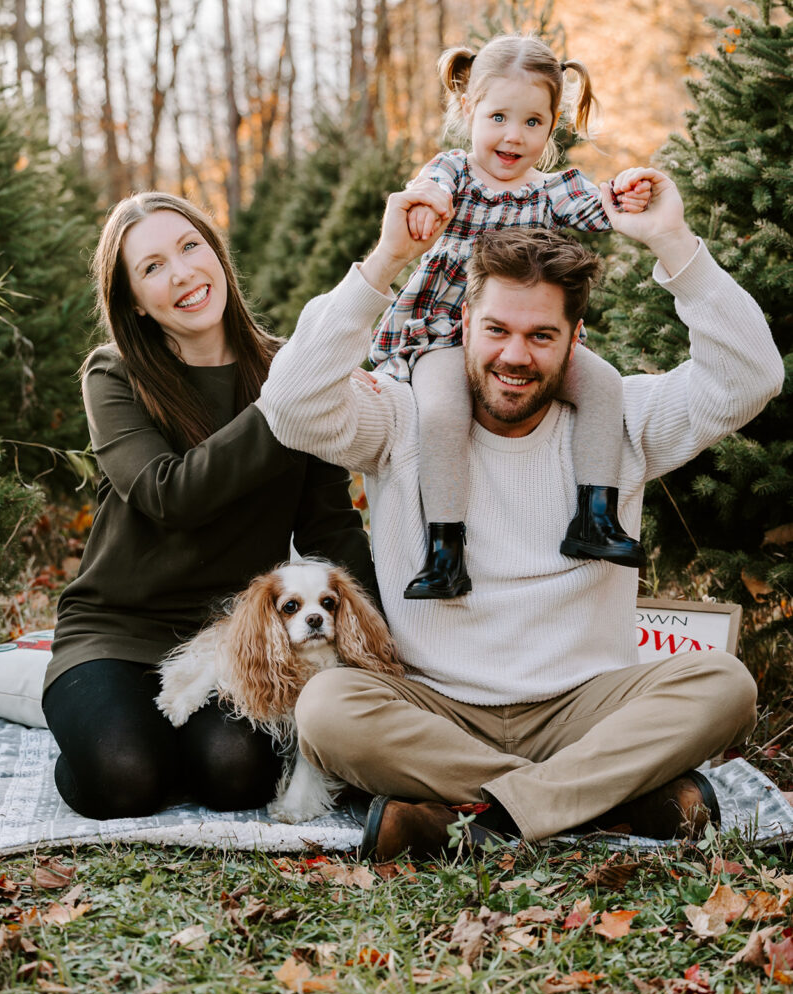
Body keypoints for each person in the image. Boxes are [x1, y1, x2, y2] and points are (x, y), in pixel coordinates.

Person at [259, 168, 784, 860]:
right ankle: (603, 803)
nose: (513, 355)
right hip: (436, 709)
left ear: (574, 337)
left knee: (722, 685)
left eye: (540, 336)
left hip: (585, 709)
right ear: (465, 325)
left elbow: (751, 376)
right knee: (328, 710)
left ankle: (485, 819)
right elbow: (289, 406)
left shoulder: (625, 417)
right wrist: (384, 260)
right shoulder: (401, 415)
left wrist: (671, 241)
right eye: (496, 330)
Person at [42, 193, 376, 821]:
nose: (182, 274)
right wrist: (283, 404)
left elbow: (330, 522)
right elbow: (170, 495)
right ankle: (101, 736)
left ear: (217, 254)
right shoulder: (114, 376)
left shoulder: (285, 370)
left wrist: (382, 633)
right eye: (152, 267)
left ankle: (169, 746)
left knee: (237, 774)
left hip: (232, 640)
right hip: (117, 631)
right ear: (134, 301)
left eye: (190, 247)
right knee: (123, 775)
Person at [368, 34, 653, 600]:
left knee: (603, 384)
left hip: (527, 336)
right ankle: (445, 550)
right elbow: (430, 188)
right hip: (447, 334)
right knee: (445, 411)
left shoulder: (552, 191)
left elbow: (603, 209)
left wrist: (628, 189)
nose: (512, 136)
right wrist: (425, 206)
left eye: (532, 122)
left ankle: (593, 518)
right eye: (498, 116)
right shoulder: (455, 173)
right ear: (469, 109)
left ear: (551, 129)